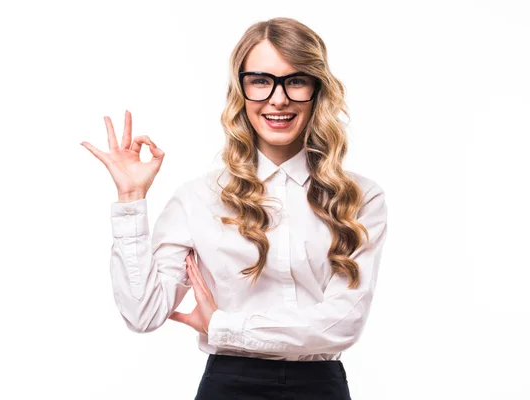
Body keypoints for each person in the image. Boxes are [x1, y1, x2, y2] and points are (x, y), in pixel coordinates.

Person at [81, 17, 388, 400]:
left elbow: (343, 324)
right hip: (229, 387)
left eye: (295, 81)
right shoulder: (199, 197)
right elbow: (143, 313)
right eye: (261, 81)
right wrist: (131, 199)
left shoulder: (359, 197)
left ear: (317, 89)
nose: (278, 99)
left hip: (320, 387)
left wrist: (224, 326)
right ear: (240, 90)